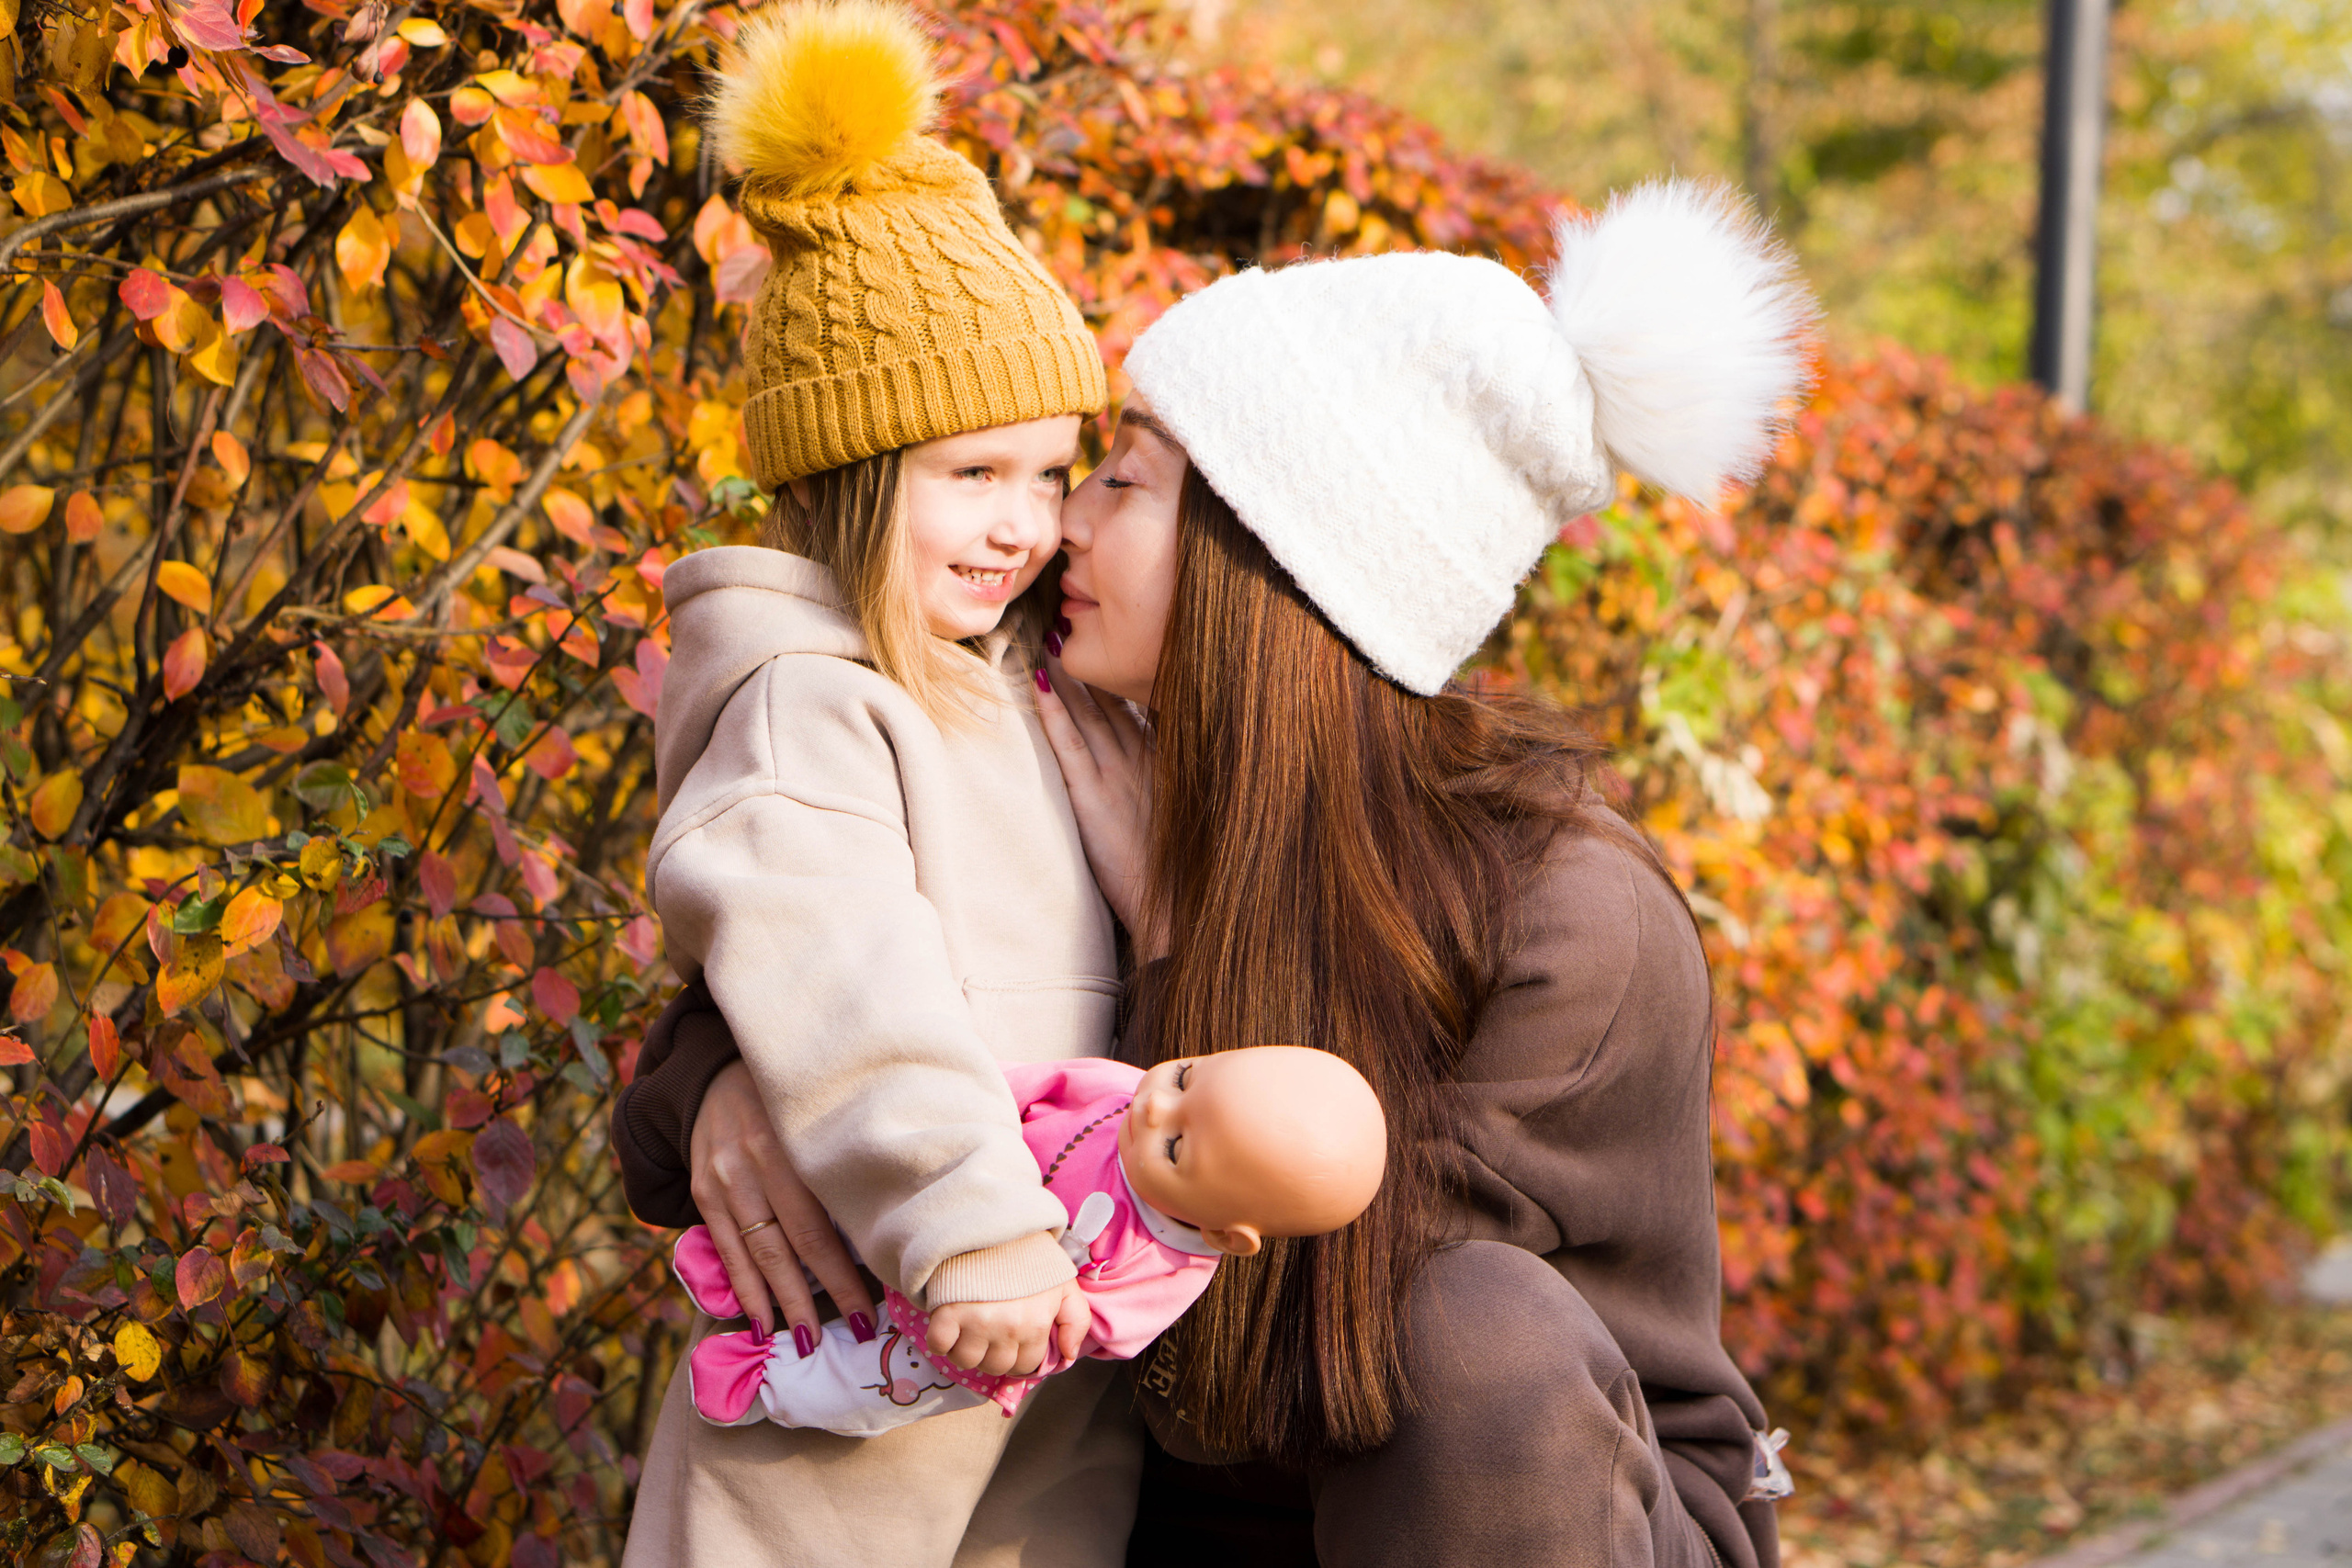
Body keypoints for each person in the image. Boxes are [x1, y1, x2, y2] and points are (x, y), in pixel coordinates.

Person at [620, 185, 1818, 1566]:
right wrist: (723, 1077)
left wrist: (1172, 948)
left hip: (1534, 1515)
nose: (1058, 524)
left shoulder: (1563, 916)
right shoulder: (1086, 751)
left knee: (1468, 1332)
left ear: (1272, 561)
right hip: (1177, 1525)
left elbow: (1276, 1346)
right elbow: (834, 935)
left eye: (1120, 480)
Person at [614, 3, 1143, 1563]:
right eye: (970, 474)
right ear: (850, 474)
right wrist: (967, 1223)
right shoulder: (809, 700)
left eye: (1050, 473)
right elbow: (847, 978)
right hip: (870, 1314)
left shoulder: (1015, 679)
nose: (1025, 522)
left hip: (1048, 1316)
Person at [668, 1048, 1386, 1436]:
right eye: (1186, 1075)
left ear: (1226, 1232)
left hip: (972, 1333)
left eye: (1175, 1145)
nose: (1154, 1106)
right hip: (944, 1191)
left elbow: (1096, 1332)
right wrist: (958, 1133)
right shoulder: (1118, 1089)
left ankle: (773, 1380)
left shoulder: (1168, 1265)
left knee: (875, 1379)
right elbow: (1009, 1087)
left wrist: (1034, 1327)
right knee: (862, 1202)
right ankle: (751, 1262)